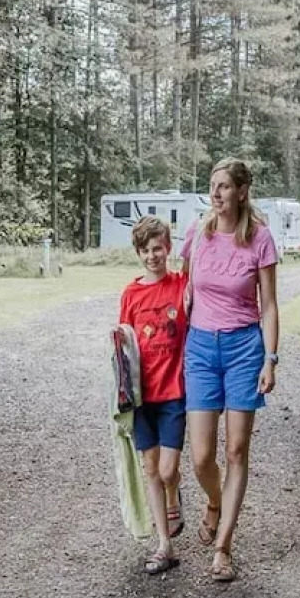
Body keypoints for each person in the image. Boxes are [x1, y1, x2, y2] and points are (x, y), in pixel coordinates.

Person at [180, 158, 280, 584]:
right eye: (212, 186)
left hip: (244, 349)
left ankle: (223, 547)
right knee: (201, 456)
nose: (216, 194)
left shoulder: (259, 239)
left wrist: (270, 358)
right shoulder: (197, 236)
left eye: (224, 187)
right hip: (201, 348)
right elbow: (182, 288)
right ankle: (216, 501)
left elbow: (270, 305)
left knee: (236, 451)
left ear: (242, 191)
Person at [117, 216, 188, 574]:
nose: (152, 256)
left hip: (174, 391)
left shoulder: (181, 285)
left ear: (168, 248)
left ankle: (176, 496)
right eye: (145, 250)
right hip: (143, 397)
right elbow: (124, 345)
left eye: (157, 248)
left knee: (168, 468)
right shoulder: (131, 293)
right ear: (138, 253)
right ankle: (164, 544)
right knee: (151, 469)